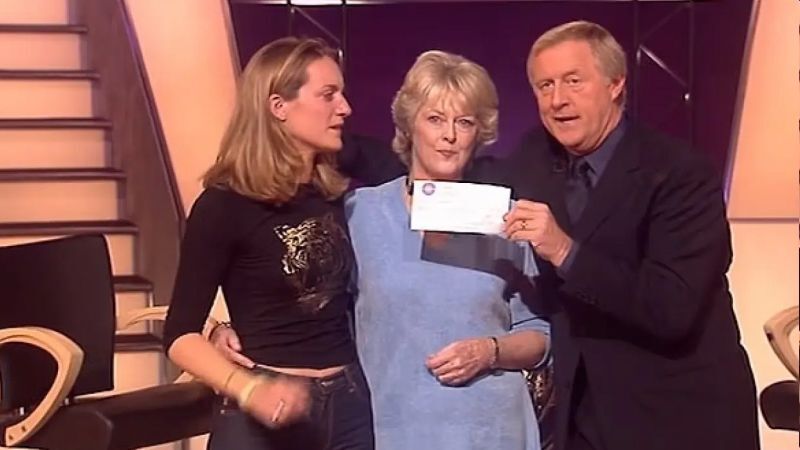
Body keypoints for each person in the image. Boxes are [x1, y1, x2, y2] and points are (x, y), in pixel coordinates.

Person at [213, 50, 551, 450]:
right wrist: (225, 329)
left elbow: (539, 334)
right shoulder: (360, 213)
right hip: (394, 430)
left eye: (464, 122)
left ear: (480, 133)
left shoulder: (504, 216)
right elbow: (305, 298)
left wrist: (490, 352)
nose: (450, 135)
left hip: (492, 431)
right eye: (435, 119)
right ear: (409, 125)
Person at [499, 21, 760, 450]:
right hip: (583, 420)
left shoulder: (680, 173)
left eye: (573, 81)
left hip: (680, 420)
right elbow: (476, 183)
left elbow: (671, 307)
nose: (557, 99)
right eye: (545, 85)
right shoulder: (533, 158)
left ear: (616, 83)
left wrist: (565, 250)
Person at [162, 37, 374, 450]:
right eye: (328, 94)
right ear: (279, 106)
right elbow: (179, 335)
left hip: (349, 408)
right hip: (267, 416)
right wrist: (249, 389)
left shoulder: (335, 195)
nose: (345, 108)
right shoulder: (224, 204)